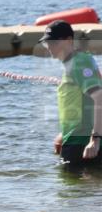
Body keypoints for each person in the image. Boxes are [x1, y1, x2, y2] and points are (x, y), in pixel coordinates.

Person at [40, 20, 102, 171]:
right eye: (47, 42)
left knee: (72, 190)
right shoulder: (74, 62)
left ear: (68, 40)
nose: (49, 46)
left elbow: (99, 97)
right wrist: (64, 133)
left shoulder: (79, 63)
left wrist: (95, 140)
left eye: (54, 42)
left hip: (82, 143)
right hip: (75, 138)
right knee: (76, 189)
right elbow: (80, 102)